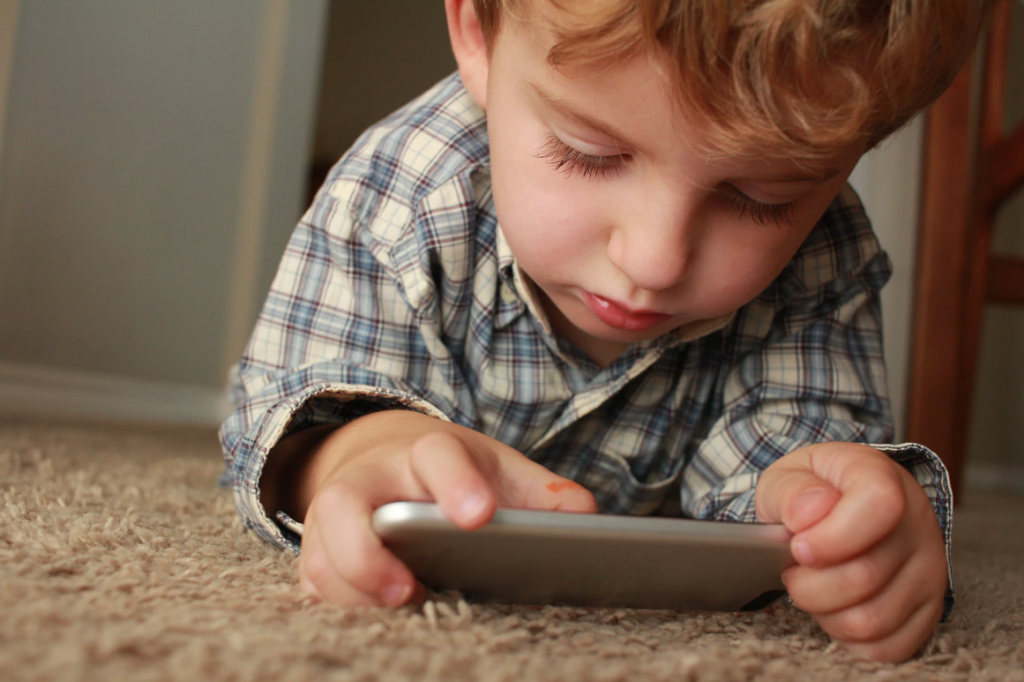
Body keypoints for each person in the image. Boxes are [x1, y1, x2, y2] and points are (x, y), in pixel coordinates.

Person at [219, 0, 992, 663]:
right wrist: (356, 451)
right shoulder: (400, 192)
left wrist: (832, 513)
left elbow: (792, 443)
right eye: (591, 155)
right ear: (478, 36)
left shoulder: (825, 249)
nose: (654, 260)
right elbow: (288, 406)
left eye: (761, 197)